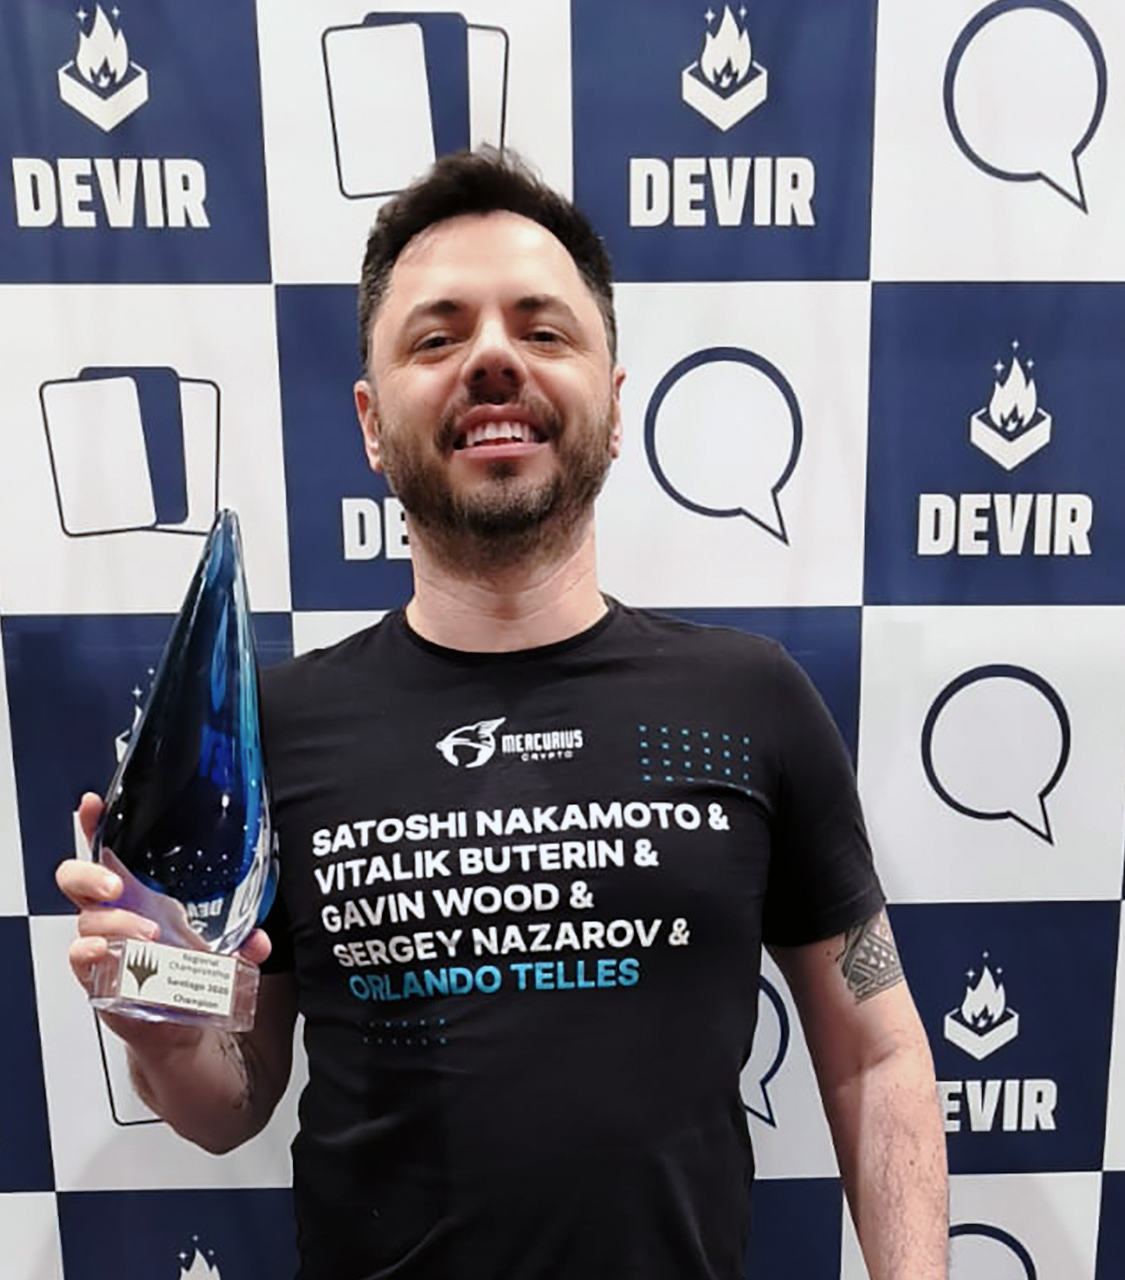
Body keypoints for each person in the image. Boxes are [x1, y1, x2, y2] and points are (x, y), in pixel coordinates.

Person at [58, 149, 948, 1279]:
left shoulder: (750, 699)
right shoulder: (271, 730)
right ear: (372, 423)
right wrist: (161, 1017)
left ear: (614, 405)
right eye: (437, 338)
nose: (491, 358)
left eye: (542, 329)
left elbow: (874, 1050)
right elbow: (229, 1104)